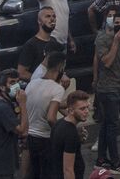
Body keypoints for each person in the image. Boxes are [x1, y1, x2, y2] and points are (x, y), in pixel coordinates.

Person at [94, 8, 120, 174]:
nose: (119, 26)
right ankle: (115, 162)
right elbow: (107, 62)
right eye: (116, 22)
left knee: (106, 125)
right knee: (112, 125)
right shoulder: (102, 38)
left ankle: (101, 159)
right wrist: (116, 42)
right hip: (106, 87)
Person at [24, 50, 69, 179]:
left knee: (34, 172)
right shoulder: (57, 89)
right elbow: (51, 117)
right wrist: (59, 134)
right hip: (45, 138)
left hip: (31, 137)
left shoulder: (32, 84)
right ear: (61, 67)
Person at [51, 90, 93, 179]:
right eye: (82, 108)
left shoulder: (59, 123)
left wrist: (78, 140)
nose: (86, 111)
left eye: (87, 107)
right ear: (71, 110)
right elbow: (68, 170)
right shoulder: (71, 134)